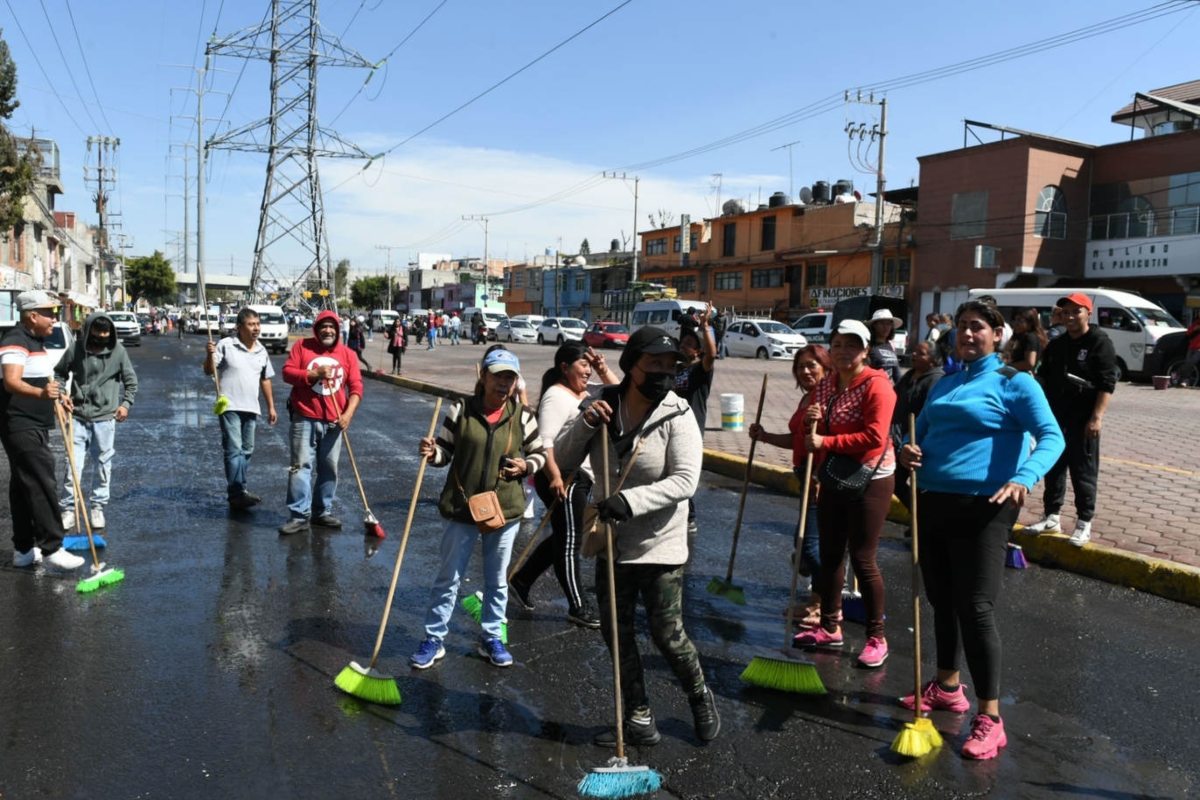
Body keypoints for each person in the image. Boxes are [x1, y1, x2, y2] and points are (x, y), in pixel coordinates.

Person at [897, 298, 1063, 760]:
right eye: (962, 328)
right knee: (941, 599)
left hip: (985, 507)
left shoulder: (1016, 383)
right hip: (931, 501)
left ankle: (990, 717)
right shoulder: (945, 383)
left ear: (997, 335)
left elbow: (1053, 437)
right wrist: (910, 451)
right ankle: (948, 685)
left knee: (976, 608)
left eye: (977, 328)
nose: (968, 335)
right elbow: (921, 435)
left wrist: (1023, 477)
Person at [555, 326, 719, 746]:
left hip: (659, 544)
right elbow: (563, 456)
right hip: (612, 543)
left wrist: (630, 502)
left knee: (668, 635)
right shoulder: (601, 405)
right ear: (631, 366)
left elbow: (685, 481)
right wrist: (585, 425)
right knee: (617, 632)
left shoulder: (677, 413)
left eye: (671, 365)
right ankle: (639, 716)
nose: (664, 373)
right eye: (655, 364)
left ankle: (699, 694)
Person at [410, 347, 547, 669]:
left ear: (515, 383)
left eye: (509, 378)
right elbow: (444, 452)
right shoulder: (460, 410)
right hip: (461, 507)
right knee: (449, 577)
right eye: (497, 375)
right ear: (483, 376)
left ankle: (492, 637)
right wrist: (432, 454)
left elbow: (539, 454)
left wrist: (525, 466)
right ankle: (434, 638)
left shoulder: (523, 416)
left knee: (496, 580)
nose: (503, 383)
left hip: (504, 510)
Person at [793, 319, 896, 669]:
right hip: (835, 475)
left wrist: (826, 440)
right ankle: (829, 627)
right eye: (837, 345)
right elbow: (814, 427)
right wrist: (813, 421)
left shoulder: (877, 386)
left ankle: (876, 637)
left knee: (864, 558)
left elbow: (874, 437)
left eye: (851, 345)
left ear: (866, 350)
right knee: (831, 554)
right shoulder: (829, 383)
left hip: (871, 478)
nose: (842, 352)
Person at [509, 343, 618, 629]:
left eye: (589, 365)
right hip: (562, 477)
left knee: (563, 535)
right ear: (564, 367)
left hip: (581, 477)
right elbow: (544, 444)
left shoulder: (587, 391)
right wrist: (556, 477)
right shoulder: (555, 397)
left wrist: (604, 368)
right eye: (583, 364)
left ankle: (521, 581)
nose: (588, 369)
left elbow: (619, 390)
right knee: (570, 541)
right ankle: (577, 605)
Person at [748, 344, 834, 626]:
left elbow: (831, 443)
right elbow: (797, 439)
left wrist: (821, 476)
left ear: (826, 367)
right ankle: (817, 601)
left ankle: (827, 606)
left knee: (810, 548)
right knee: (807, 547)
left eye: (812, 365)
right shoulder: (808, 398)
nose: (805, 371)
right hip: (804, 474)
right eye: (800, 367)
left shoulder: (829, 399)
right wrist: (765, 437)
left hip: (820, 479)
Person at [1025, 293, 1119, 546]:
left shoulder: (1099, 341)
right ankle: (1051, 516)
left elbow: (1107, 383)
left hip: (1083, 420)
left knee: (1083, 472)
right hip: (1056, 418)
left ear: (1088, 313)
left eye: (1076, 311)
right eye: (1065, 312)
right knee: (1053, 469)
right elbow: (1044, 377)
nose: (1069, 316)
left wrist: (1096, 418)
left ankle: (1083, 523)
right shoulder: (1057, 344)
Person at [2, 291, 84, 570]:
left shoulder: (36, 341)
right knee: (41, 478)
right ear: (32, 315)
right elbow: (11, 381)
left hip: (33, 422)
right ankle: (52, 546)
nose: (55, 319)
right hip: (19, 423)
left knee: (23, 486)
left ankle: (24, 549)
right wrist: (41, 394)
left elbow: (43, 380)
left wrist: (59, 396)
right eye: (50, 313)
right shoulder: (15, 340)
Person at [278, 310, 363, 535]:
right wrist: (313, 374)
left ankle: (321, 511)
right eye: (323, 326)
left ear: (338, 330)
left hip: (335, 421)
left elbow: (356, 388)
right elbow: (287, 373)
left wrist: (348, 415)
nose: (328, 330)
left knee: (329, 468)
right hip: (304, 417)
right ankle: (298, 515)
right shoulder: (302, 347)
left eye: (332, 326)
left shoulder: (348, 355)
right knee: (300, 467)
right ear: (316, 329)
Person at [56, 312, 138, 530]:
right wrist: (61, 394)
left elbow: (131, 382)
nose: (101, 337)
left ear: (111, 333)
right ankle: (68, 509)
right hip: (77, 416)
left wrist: (125, 405)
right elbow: (58, 374)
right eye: (97, 332)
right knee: (72, 465)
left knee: (103, 465)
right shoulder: (76, 348)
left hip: (105, 419)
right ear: (89, 330)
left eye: (105, 333)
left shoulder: (119, 352)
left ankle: (97, 508)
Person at [204, 308, 278, 511]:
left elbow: (265, 380)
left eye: (257, 324)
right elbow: (209, 370)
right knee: (234, 449)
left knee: (247, 450)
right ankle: (236, 491)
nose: (256, 328)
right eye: (251, 324)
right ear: (239, 327)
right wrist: (208, 354)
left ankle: (239, 489)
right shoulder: (226, 345)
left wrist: (271, 406)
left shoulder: (262, 351)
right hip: (229, 405)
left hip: (251, 407)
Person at [674, 302, 718, 536]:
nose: (684, 345)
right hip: (672, 429)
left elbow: (712, 353)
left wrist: (705, 327)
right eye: (683, 342)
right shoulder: (676, 369)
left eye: (690, 344)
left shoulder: (701, 370)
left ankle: (689, 517)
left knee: (683, 473)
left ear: (698, 351)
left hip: (691, 430)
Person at [892, 340, 944, 535]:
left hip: (921, 441)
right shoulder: (909, 376)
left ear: (933, 359)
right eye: (914, 352)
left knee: (918, 485)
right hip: (902, 439)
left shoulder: (936, 380)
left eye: (920, 353)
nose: (914, 355)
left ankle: (922, 521)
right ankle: (919, 517)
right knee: (897, 482)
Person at [866, 308, 902, 385]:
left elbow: (896, 372)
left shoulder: (890, 345)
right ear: (874, 325)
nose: (886, 327)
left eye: (888, 324)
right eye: (882, 323)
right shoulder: (868, 346)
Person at [1005, 307, 1047, 373]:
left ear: (1030, 323)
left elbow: (1030, 363)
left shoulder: (1030, 337)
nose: (1015, 323)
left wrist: (1008, 366)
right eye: (1015, 320)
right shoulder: (1020, 336)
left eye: (1020, 321)